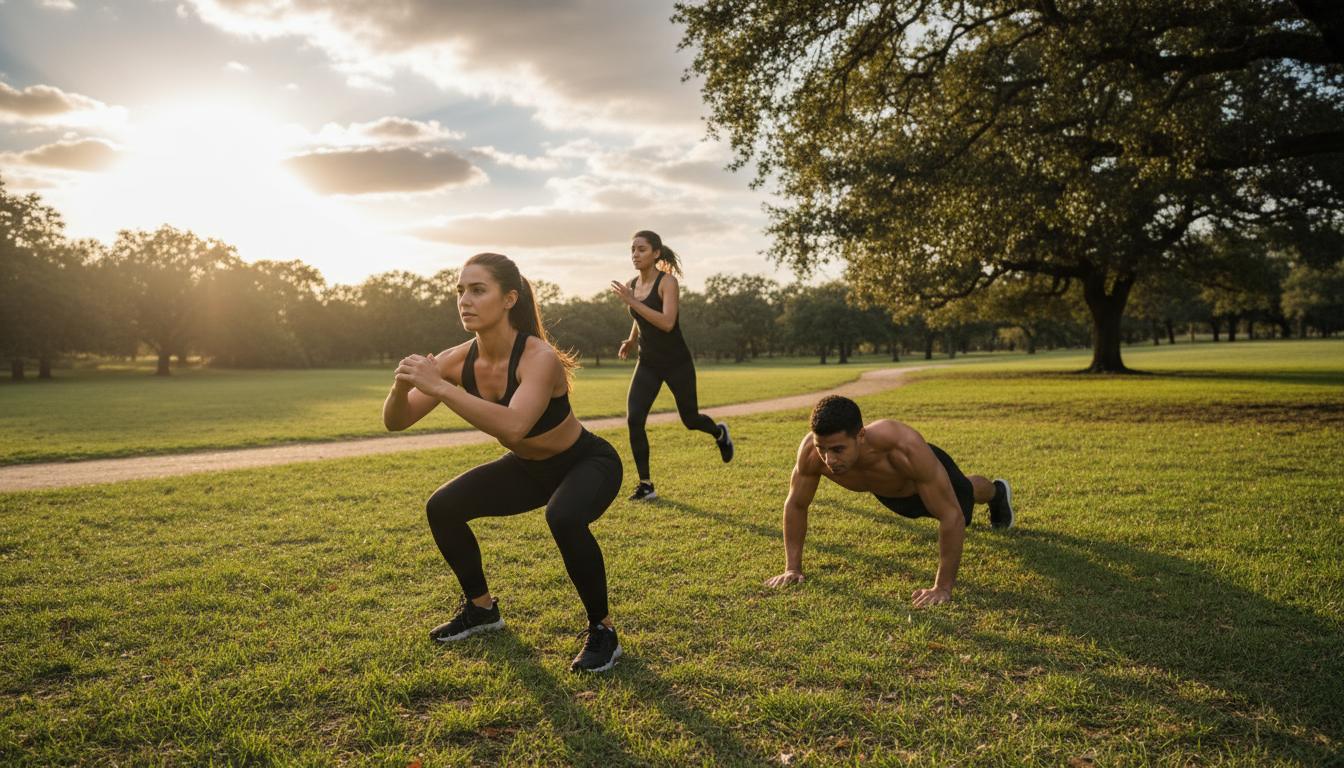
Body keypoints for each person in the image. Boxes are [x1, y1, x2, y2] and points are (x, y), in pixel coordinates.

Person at [383, 252, 623, 672]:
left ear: (510, 298)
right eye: (460, 291)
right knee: (442, 506)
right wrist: (402, 386)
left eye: (478, 290)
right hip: (529, 469)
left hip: (585, 462)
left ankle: (603, 630)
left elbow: (513, 426)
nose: (465, 300)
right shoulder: (456, 359)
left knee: (563, 516)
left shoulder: (538, 357)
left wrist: (440, 387)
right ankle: (482, 609)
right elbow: (396, 422)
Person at [764, 395, 1015, 607]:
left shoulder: (901, 446)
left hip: (917, 479)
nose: (828, 459)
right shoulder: (811, 453)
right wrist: (792, 568)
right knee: (958, 495)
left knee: (967, 491)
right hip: (891, 494)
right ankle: (993, 491)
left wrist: (942, 588)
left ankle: (996, 493)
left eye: (838, 449)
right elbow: (796, 504)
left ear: (860, 436)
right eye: (822, 448)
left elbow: (951, 517)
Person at [610, 229, 733, 502]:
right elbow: (639, 317)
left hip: (676, 362)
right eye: (632, 250)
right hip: (648, 363)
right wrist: (631, 340)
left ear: (656, 253)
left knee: (690, 420)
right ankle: (646, 485)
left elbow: (666, 322)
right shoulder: (634, 284)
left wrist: (631, 301)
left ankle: (719, 432)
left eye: (641, 249)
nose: (635, 254)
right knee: (634, 419)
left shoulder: (668, 283)